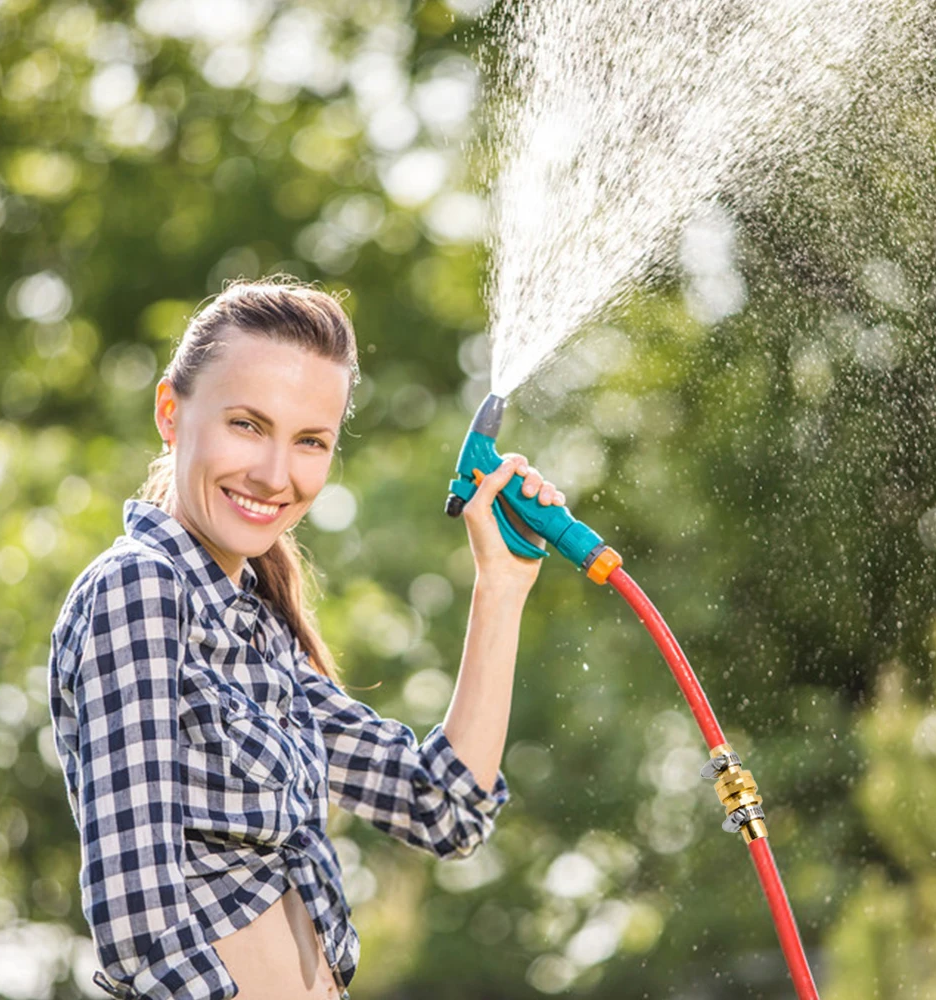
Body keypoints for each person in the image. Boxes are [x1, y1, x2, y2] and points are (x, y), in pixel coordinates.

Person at [47, 276, 567, 1000]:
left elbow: (442, 810)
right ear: (171, 411)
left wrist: (501, 589)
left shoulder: (259, 631)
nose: (274, 474)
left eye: (310, 441)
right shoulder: (139, 588)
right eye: (247, 425)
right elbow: (140, 921)